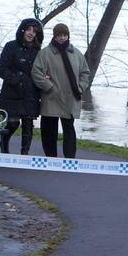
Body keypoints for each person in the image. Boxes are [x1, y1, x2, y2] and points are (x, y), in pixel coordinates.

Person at [31, 22, 90, 158]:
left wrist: (80, 87)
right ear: (54, 36)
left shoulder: (76, 53)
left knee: (69, 129)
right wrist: (49, 87)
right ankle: (51, 157)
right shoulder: (45, 53)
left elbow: (85, 73)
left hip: (71, 98)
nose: (62, 38)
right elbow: (36, 72)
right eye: (59, 35)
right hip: (51, 97)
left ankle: (69, 159)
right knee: (49, 130)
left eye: (64, 35)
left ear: (68, 36)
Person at [0, 18, 43, 154]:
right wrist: (17, 79)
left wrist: (44, 77)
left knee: (28, 124)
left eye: (34, 31)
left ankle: (24, 154)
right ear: (23, 30)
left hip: (30, 93)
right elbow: (1, 69)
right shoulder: (11, 46)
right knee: (13, 123)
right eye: (28, 30)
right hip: (12, 92)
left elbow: (41, 70)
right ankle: (4, 145)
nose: (31, 33)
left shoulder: (38, 51)